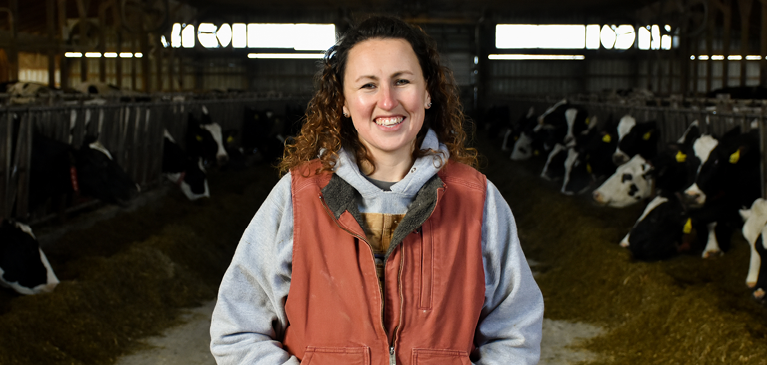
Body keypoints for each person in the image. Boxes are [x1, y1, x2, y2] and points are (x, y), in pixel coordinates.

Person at [210, 15, 544, 365]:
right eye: (368, 85)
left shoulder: (477, 200)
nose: (387, 101)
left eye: (402, 81)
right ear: (342, 101)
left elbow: (516, 330)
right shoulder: (298, 197)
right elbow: (237, 330)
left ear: (427, 92)